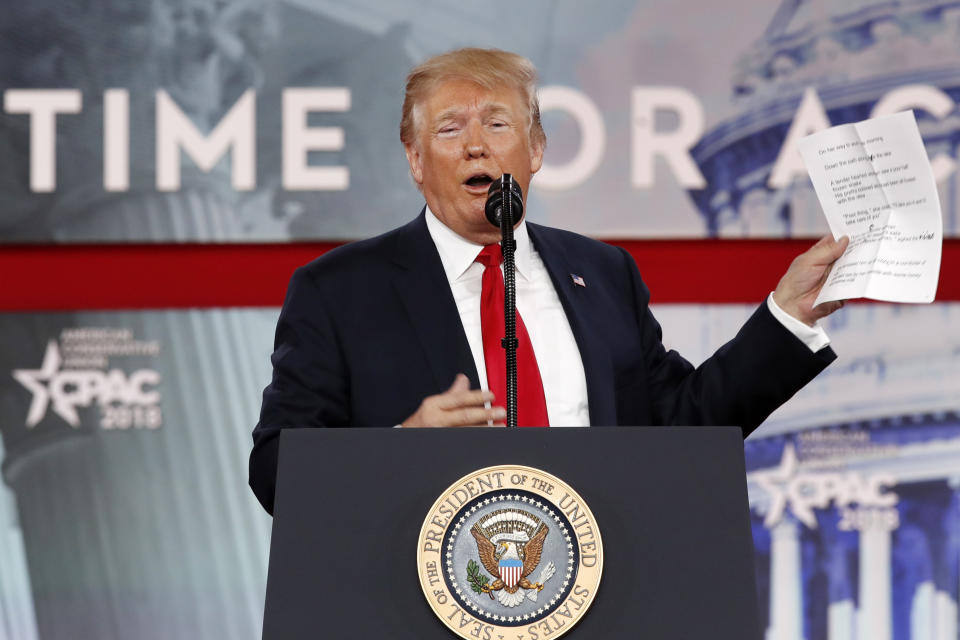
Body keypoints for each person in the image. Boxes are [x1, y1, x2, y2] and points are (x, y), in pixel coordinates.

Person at [248, 48, 848, 515]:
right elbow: (276, 470)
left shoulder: (604, 273)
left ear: (536, 149)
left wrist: (787, 317)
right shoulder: (340, 290)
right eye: (450, 129)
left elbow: (681, 428)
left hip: (604, 591)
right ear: (414, 160)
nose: (476, 145)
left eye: (498, 124)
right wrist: (399, 447)